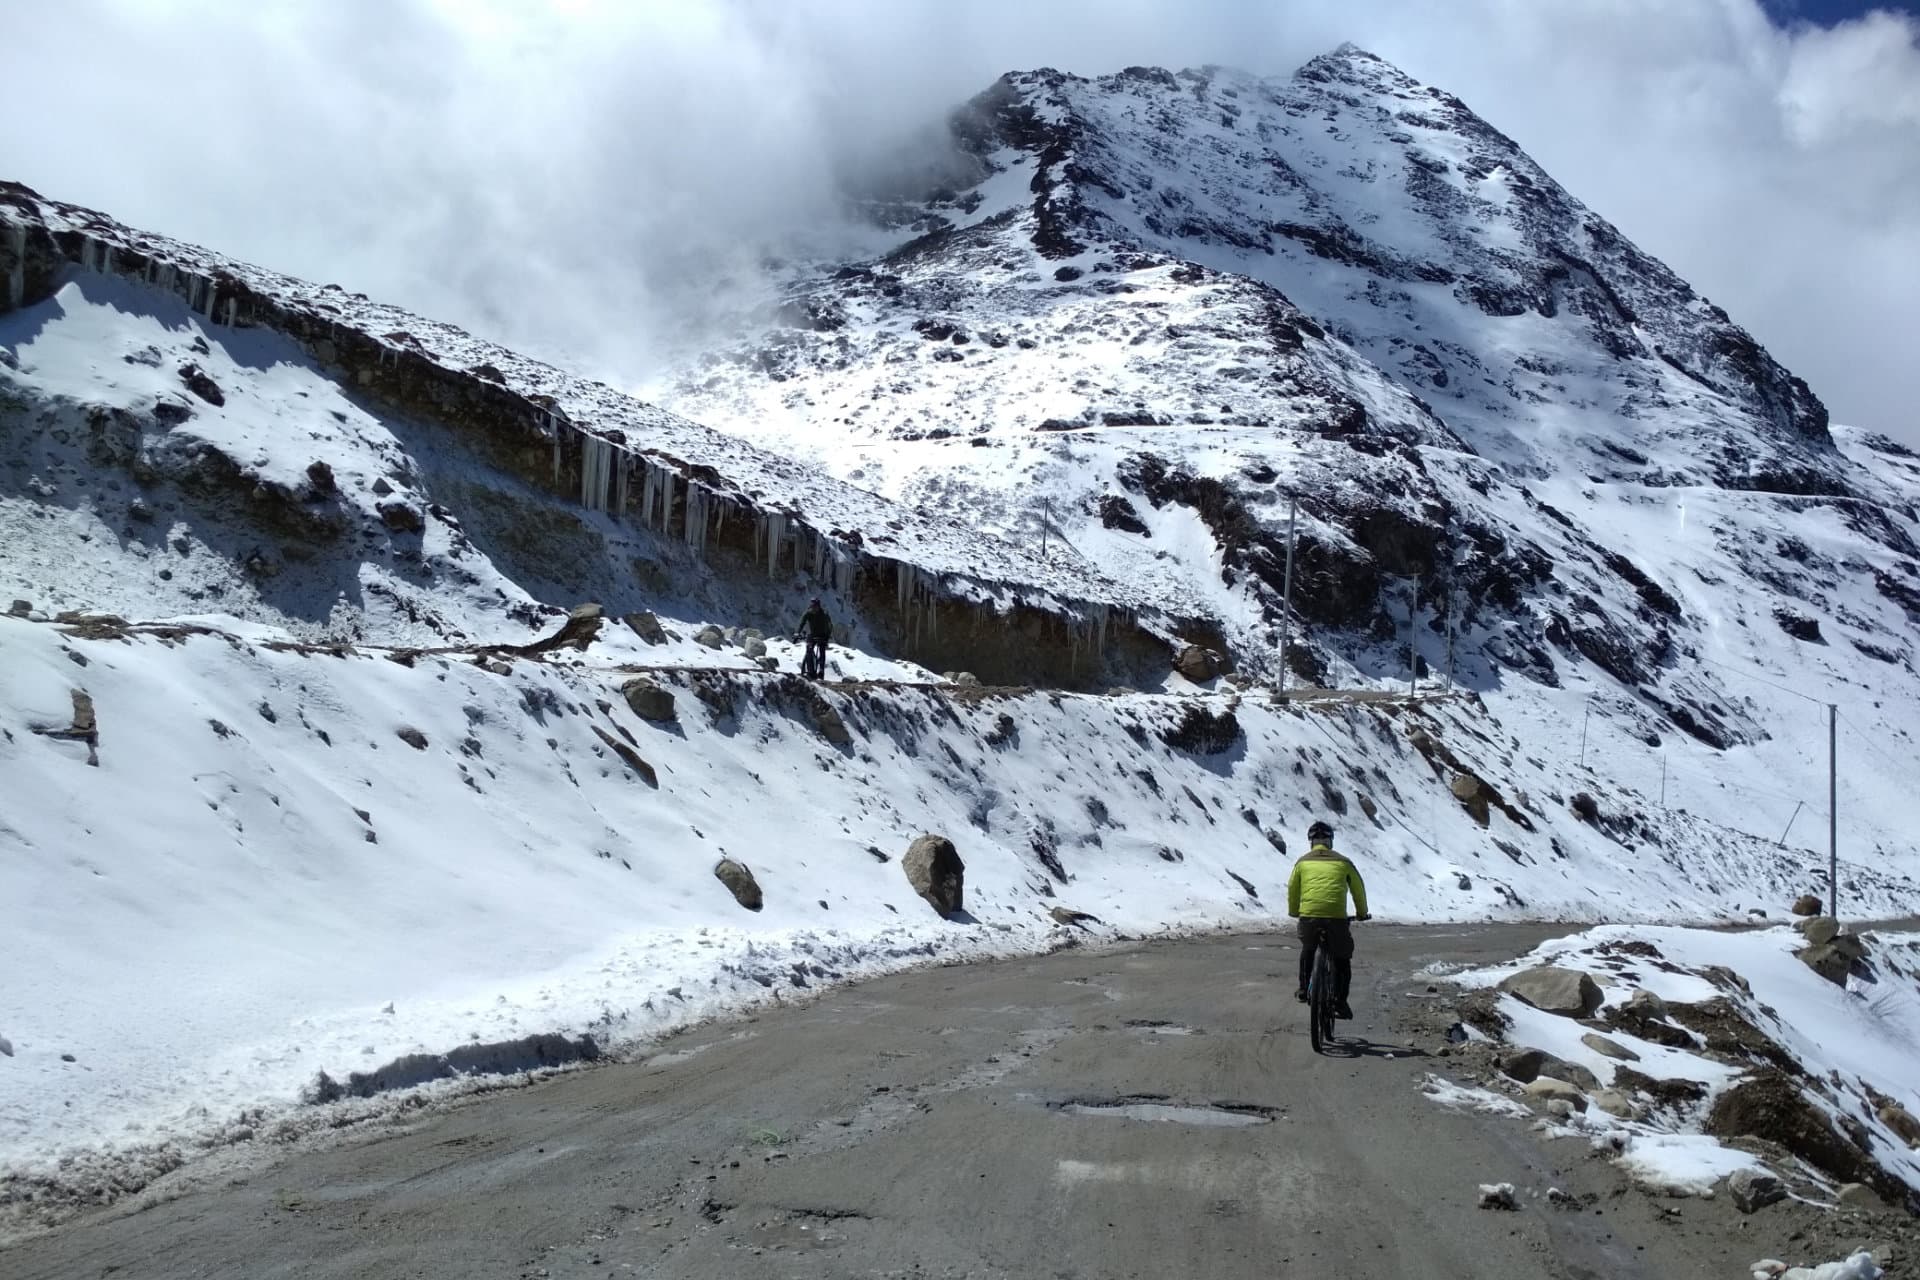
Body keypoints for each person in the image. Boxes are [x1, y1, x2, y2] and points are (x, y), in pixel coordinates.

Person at [1287, 819, 1370, 1020]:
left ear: (1311, 842)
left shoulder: (1302, 862)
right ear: (1330, 841)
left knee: (1308, 949)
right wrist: (1361, 913)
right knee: (1342, 959)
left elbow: (1292, 888)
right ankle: (1340, 1002)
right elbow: (1358, 889)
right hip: (1336, 920)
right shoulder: (1343, 862)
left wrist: (1294, 912)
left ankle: (1303, 989)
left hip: (1309, 917)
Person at [794, 597, 831, 679]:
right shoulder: (808, 612)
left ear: (818, 606)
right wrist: (797, 632)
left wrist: (827, 637)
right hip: (812, 634)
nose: (813, 608)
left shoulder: (824, 614)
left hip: (822, 635)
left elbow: (829, 626)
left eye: (815, 607)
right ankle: (810, 672)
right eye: (812, 606)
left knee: (822, 650)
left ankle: (821, 670)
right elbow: (802, 622)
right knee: (809, 650)